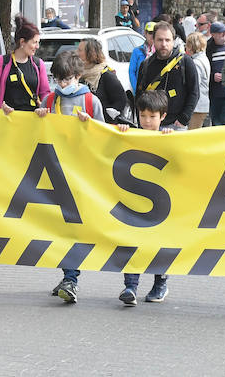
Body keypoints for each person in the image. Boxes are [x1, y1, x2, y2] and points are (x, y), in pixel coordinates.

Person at [42, 51, 105, 304]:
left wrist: (89, 125)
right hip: (57, 172)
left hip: (82, 175)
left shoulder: (91, 102)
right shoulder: (49, 100)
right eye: (58, 79)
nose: (62, 85)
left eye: (67, 79)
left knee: (74, 228)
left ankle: (71, 278)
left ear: (78, 76)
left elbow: (103, 135)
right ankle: (69, 276)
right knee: (61, 228)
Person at [115, 89, 174, 305]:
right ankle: (130, 287)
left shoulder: (169, 137)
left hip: (161, 205)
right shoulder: (132, 135)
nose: (147, 121)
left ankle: (160, 283)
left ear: (163, 116)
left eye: (152, 117)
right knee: (131, 242)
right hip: (134, 203)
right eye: (142, 116)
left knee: (160, 244)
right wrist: (120, 132)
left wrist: (171, 139)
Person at [136, 20, 200, 130]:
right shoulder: (146, 65)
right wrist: (140, 121)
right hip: (150, 125)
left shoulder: (185, 62)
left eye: (167, 40)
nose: (164, 44)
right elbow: (139, 95)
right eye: (160, 40)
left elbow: (194, 92)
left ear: (173, 41)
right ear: (153, 40)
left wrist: (183, 119)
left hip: (176, 125)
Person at [0, 18, 51, 114]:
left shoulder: (39, 64)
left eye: (38, 43)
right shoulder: (1, 62)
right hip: (8, 120)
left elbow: (45, 93)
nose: (37, 46)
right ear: (22, 42)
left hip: (33, 120)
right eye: (34, 42)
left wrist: (43, 108)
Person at [78, 38, 129, 125]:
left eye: (80, 50)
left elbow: (121, 100)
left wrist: (107, 116)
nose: (77, 53)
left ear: (90, 53)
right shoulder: (78, 73)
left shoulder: (106, 75)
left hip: (103, 125)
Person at [206, 23, 225, 126]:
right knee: (216, 122)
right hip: (214, 93)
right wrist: (212, 76)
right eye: (221, 32)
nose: (224, 34)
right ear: (213, 34)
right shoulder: (207, 48)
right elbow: (203, 70)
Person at [185, 32, 211, 129]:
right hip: (201, 105)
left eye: (187, 45)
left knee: (192, 136)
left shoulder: (196, 63)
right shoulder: (203, 58)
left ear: (191, 46)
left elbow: (193, 85)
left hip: (197, 106)